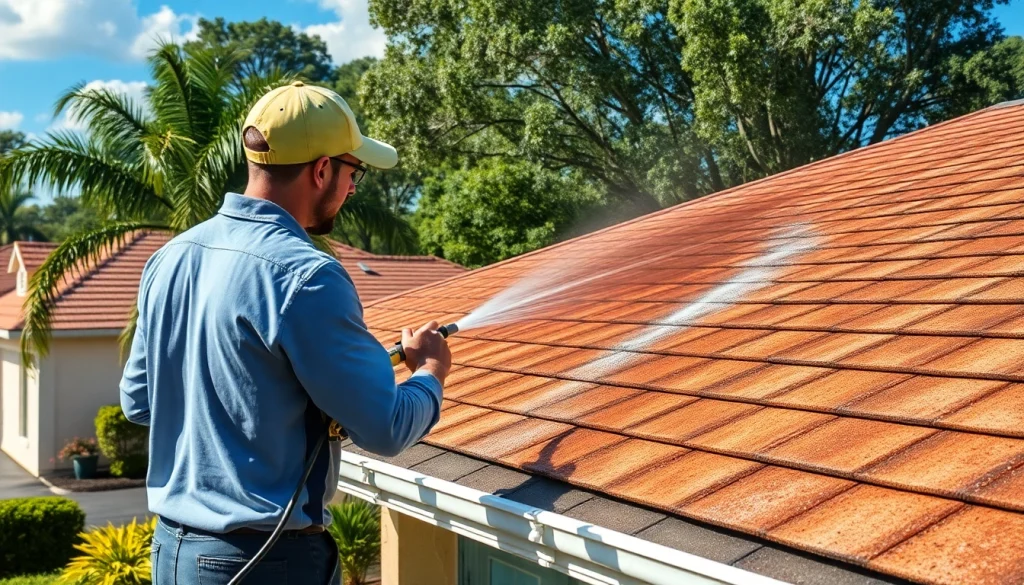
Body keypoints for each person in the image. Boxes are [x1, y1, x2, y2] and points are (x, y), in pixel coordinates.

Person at [119, 81, 452, 585]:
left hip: (172, 553)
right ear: (321, 170)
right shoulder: (307, 276)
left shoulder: (169, 258)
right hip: (265, 563)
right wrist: (430, 370)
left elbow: (139, 403)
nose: (353, 188)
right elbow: (386, 428)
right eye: (353, 172)